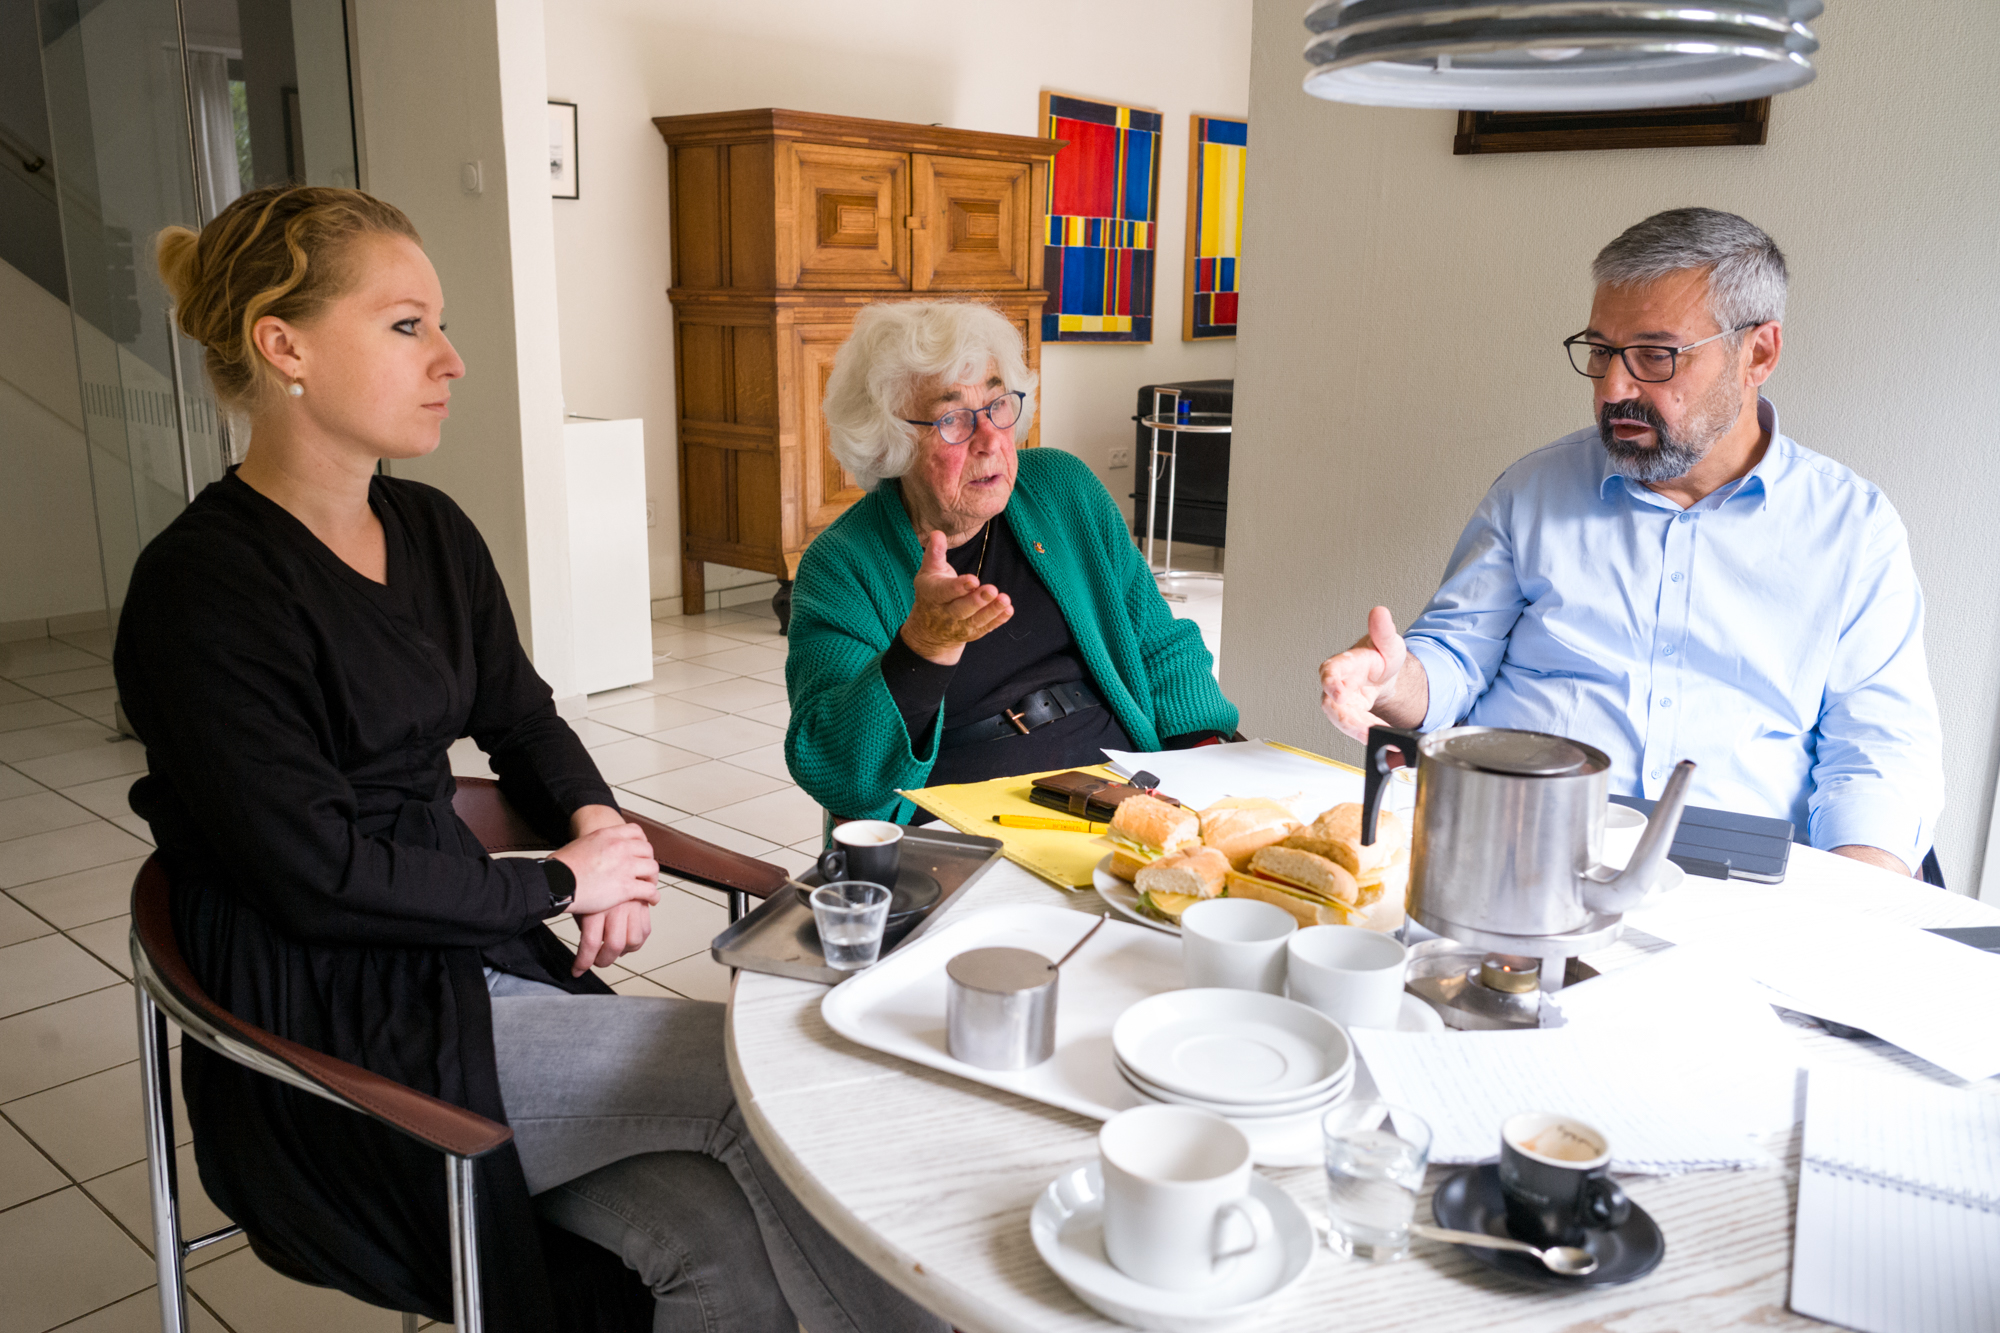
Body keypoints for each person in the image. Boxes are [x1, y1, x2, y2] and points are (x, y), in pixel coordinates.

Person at [116, 184, 946, 1333]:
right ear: (283, 344)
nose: (450, 358)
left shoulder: (431, 532)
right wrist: (559, 882)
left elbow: (522, 720)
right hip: (330, 1024)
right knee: (774, 1073)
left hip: (463, 956)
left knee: (714, 1241)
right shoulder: (202, 592)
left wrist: (597, 823)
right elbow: (315, 870)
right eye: (407, 325)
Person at [1318, 208, 1943, 878]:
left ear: (1758, 353)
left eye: (1655, 356)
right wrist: (1392, 677)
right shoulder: (1531, 490)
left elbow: (1878, 757)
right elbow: (1452, 662)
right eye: (1601, 352)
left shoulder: (1853, 528)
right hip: (1514, 854)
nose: (1615, 388)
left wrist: (1852, 912)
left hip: (1736, 891)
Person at [785, 301, 1238, 821]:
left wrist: (1204, 754)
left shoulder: (1063, 489)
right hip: (965, 817)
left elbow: (1158, 643)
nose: (990, 440)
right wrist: (923, 647)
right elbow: (837, 771)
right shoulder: (842, 565)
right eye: (951, 417)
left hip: (1121, 786)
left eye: (998, 404)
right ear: (892, 440)